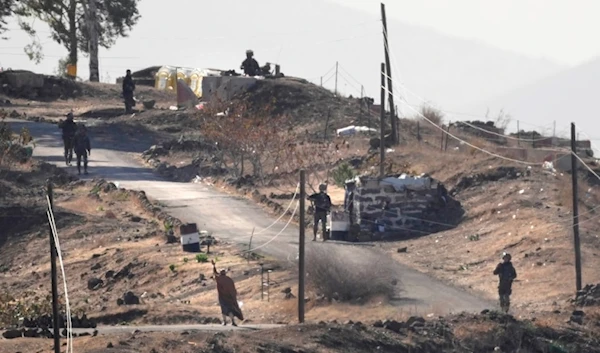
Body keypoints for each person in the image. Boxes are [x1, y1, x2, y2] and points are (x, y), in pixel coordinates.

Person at [212, 260, 244, 326]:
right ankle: (233, 322)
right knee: (230, 310)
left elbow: (215, 273)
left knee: (224, 310)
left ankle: (225, 322)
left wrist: (214, 266)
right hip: (230, 298)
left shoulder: (220, 279)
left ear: (220, 273)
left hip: (223, 297)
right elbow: (233, 289)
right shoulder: (229, 279)